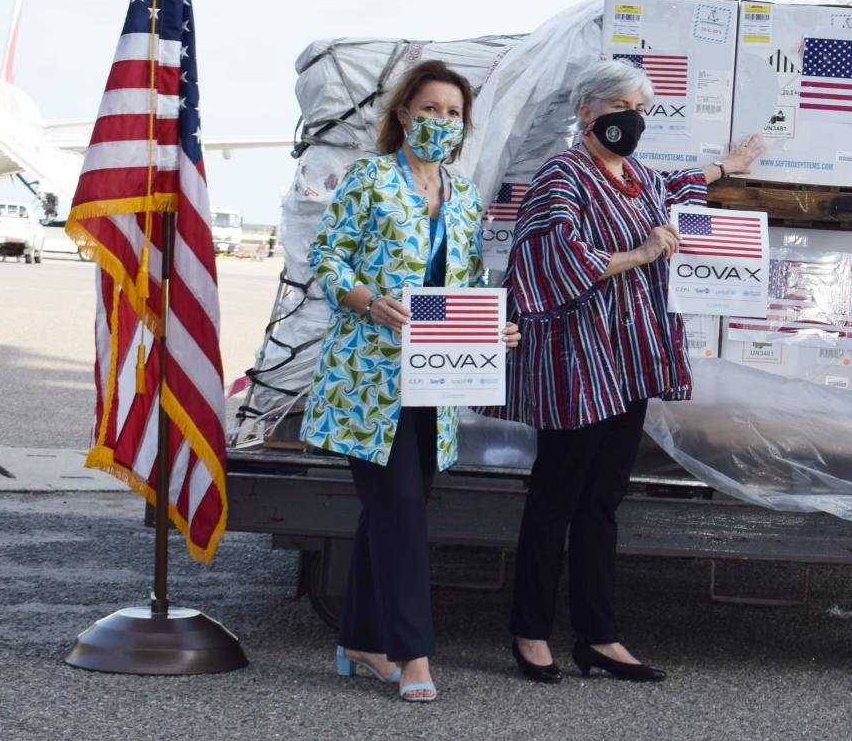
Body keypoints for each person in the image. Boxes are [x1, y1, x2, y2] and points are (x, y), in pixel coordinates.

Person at [499, 59, 764, 684]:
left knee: (602, 501)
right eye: (621, 105)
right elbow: (548, 256)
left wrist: (726, 167)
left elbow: (675, 186)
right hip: (576, 362)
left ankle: (599, 636)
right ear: (587, 111)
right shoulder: (561, 176)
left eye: (641, 108)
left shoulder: (638, 176)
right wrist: (640, 252)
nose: (633, 118)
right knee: (555, 497)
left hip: (629, 360)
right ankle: (530, 631)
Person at [300, 60, 520, 703]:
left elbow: (470, 283)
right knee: (399, 513)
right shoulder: (370, 178)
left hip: (435, 378)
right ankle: (412, 653)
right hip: (369, 380)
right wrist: (365, 298)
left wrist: (492, 328)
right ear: (402, 114)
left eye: (452, 114)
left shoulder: (463, 195)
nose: (440, 123)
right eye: (428, 110)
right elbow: (327, 257)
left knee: (392, 511)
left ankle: (362, 640)